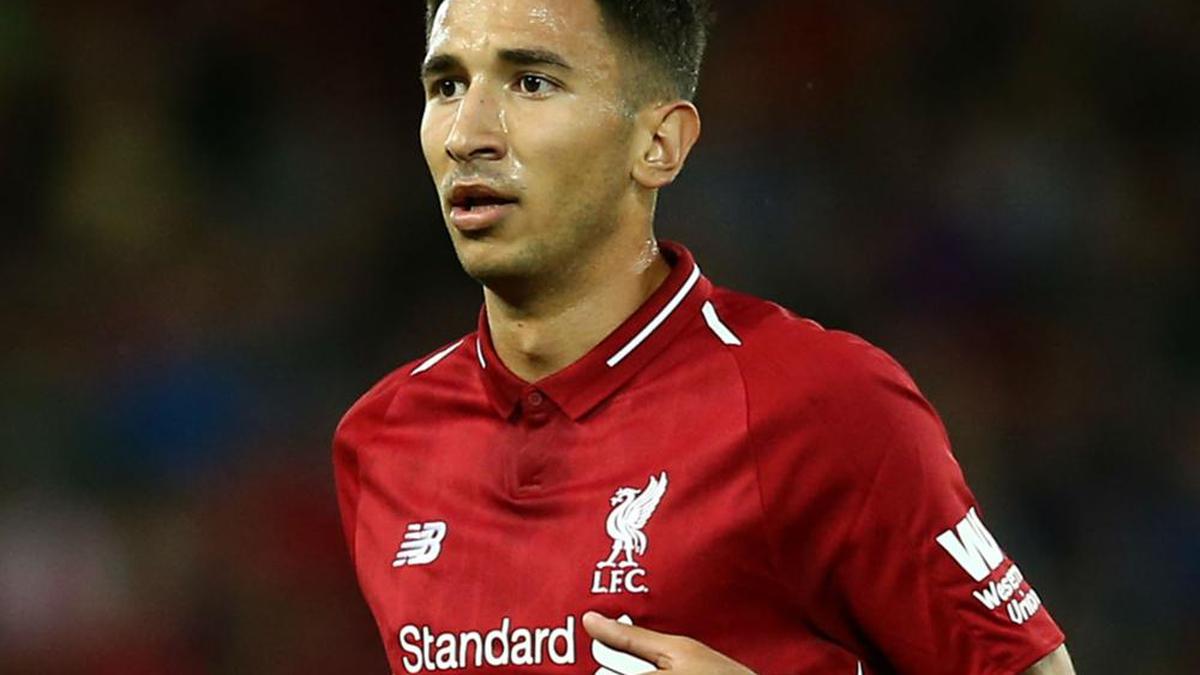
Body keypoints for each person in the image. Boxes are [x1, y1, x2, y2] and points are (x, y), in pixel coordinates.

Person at [332, 0, 1076, 672]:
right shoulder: (382, 439)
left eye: (532, 82)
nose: (469, 135)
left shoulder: (818, 404)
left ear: (659, 142)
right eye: (447, 86)